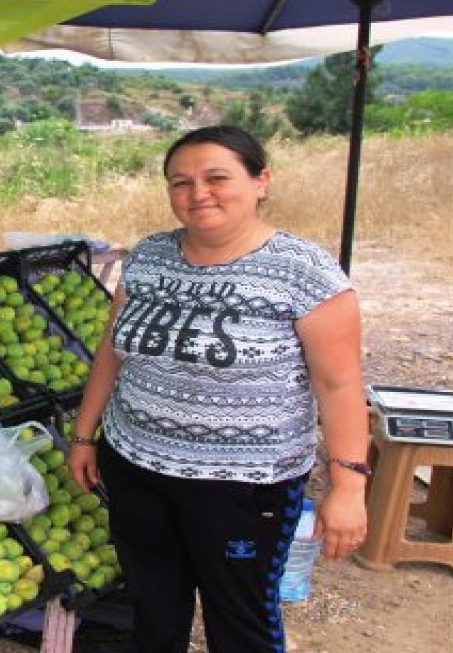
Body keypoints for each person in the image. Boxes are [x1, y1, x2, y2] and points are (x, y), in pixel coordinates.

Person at [68, 125, 369, 652]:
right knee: (153, 607)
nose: (197, 193)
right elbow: (112, 350)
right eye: (180, 181)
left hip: (244, 486)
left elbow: (339, 384)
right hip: (137, 465)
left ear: (260, 181)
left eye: (217, 177)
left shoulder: (305, 272)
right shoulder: (147, 257)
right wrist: (84, 435)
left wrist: (349, 487)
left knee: (240, 619)